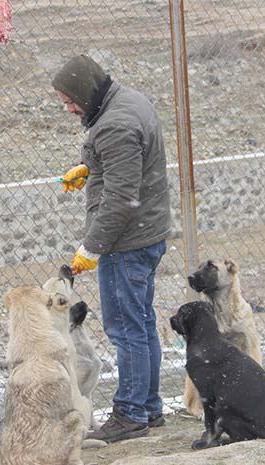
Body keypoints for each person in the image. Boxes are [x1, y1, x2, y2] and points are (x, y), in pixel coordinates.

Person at [52, 55, 172, 442]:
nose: (68, 107)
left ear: (87, 91)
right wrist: (90, 167)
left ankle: (130, 414)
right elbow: (127, 164)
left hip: (127, 242)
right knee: (141, 321)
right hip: (148, 232)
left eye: (70, 99)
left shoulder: (115, 124)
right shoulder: (127, 101)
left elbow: (121, 197)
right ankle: (149, 408)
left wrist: (91, 247)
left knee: (125, 328)